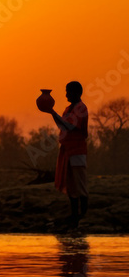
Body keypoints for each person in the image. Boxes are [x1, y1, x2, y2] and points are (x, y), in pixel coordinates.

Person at [50, 81, 89, 226]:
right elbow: (61, 124)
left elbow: (70, 126)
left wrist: (52, 112)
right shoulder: (68, 109)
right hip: (68, 149)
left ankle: (83, 213)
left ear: (77, 93)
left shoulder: (81, 108)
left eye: (68, 92)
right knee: (71, 183)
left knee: (80, 181)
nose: (66, 94)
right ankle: (74, 214)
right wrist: (52, 112)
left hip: (77, 149)